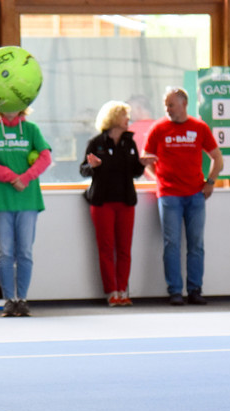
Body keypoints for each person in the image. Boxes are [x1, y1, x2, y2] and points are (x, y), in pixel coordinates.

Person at [141, 87, 224, 306]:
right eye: (166, 105)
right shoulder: (158, 128)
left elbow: (217, 157)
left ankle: (195, 289)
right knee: (172, 244)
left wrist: (211, 181)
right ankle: (175, 291)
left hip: (195, 195)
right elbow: (146, 159)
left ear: (184, 104)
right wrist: (157, 179)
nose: (167, 109)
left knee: (196, 244)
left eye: (171, 104)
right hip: (169, 196)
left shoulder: (199, 128)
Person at [0, 107, 51, 317]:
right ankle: (9, 300)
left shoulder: (31, 129)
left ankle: (22, 299)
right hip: (2, 200)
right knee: (5, 252)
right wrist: (12, 177)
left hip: (28, 200)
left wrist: (26, 177)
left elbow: (45, 157)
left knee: (25, 252)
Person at [80, 101, 145, 307]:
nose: (129, 120)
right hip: (102, 202)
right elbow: (83, 169)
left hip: (125, 201)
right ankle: (112, 292)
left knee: (124, 248)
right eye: (126, 116)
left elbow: (135, 172)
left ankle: (123, 290)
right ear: (115, 118)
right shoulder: (96, 142)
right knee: (106, 248)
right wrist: (93, 166)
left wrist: (142, 165)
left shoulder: (129, 143)